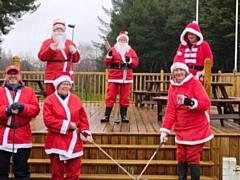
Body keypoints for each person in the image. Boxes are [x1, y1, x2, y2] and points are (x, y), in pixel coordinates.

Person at [159, 60, 214, 180]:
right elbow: (170, 111)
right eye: (176, 70)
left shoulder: (195, 83)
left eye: (181, 70)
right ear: (173, 73)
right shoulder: (172, 87)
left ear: (186, 71)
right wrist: (165, 131)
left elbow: (205, 104)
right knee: (181, 156)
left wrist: (191, 102)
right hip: (181, 128)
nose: (179, 73)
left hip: (196, 127)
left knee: (193, 156)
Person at [43, 71, 94, 180]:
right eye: (63, 84)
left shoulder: (76, 99)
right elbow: (48, 120)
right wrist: (67, 125)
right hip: (56, 140)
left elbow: (83, 118)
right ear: (57, 85)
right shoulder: (49, 100)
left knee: (74, 173)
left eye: (68, 84)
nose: (66, 86)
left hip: (74, 140)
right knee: (57, 174)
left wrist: (86, 133)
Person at [0, 65, 40, 180]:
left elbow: (35, 109)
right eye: (10, 74)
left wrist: (23, 108)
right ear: (5, 76)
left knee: (22, 171)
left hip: (22, 134)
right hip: (2, 134)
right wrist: (7, 110)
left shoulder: (29, 91)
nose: (13, 76)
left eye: (15, 73)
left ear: (20, 76)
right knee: (1, 171)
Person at [100, 30, 139, 123]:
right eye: (121, 39)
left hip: (126, 75)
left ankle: (124, 115)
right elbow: (106, 62)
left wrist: (129, 60)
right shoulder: (112, 50)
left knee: (125, 97)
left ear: (127, 41)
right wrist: (109, 56)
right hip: (114, 75)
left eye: (124, 40)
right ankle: (107, 115)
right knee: (111, 95)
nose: (122, 41)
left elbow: (135, 63)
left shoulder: (131, 51)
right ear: (118, 40)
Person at [38, 19, 80, 96]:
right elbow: (42, 57)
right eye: (57, 29)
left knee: (67, 96)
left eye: (61, 29)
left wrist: (74, 52)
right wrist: (51, 48)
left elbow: (76, 59)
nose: (59, 31)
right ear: (53, 30)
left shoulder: (69, 43)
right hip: (52, 74)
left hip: (66, 74)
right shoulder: (47, 42)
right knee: (52, 96)